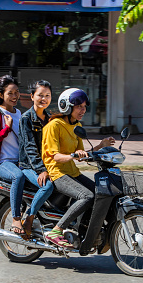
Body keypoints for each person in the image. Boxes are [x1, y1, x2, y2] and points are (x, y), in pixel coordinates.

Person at [41, 88, 115, 248]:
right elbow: (55, 156)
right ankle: (56, 230)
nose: (83, 110)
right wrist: (72, 156)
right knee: (86, 196)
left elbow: (83, 153)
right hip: (57, 173)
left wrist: (101, 146)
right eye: (79, 106)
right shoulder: (54, 126)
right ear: (67, 107)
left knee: (101, 193)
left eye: (84, 106)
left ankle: (85, 230)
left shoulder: (77, 126)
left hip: (73, 172)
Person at [0, 75, 38, 237]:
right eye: (10, 93)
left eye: (17, 92)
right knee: (18, 177)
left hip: (20, 161)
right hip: (3, 163)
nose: (14, 96)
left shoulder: (19, 112)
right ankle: (15, 219)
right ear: (1, 95)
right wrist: (6, 128)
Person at [18, 80, 54, 236]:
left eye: (47, 95)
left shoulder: (51, 119)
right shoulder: (26, 119)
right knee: (48, 186)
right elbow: (30, 147)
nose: (43, 99)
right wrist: (41, 170)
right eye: (40, 95)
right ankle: (29, 218)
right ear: (32, 96)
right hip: (28, 166)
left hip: (47, 165)